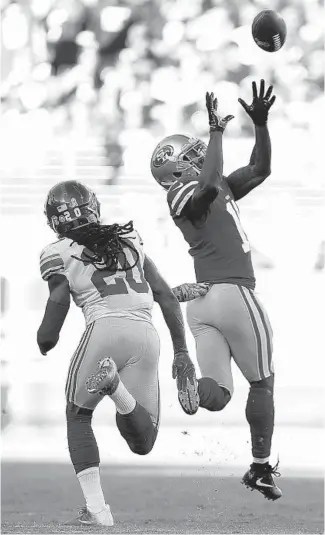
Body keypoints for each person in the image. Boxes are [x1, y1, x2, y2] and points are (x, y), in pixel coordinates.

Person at [37, 180, 199, 527]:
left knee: (78, 416)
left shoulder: (58, 250)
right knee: (144, 442)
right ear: (93, 207)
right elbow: (166, 296)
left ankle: (98, 512)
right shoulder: (128, 241)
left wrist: (45, 338)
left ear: (54, 220)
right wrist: (182, 352)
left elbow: (59, 299)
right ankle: (119, 393)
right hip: (146, 336)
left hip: (105, 330)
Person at [150, 80, 282, 501]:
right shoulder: (182, 191)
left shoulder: (213, 184)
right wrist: (217, 132)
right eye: (188, 156)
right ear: (173, 170)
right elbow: (205, 189)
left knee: (219, 394)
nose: (198, 157)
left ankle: (193, 390)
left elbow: (259, 169)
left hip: (202, 300)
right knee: (262, 383)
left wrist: (260, 124)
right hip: (232, 292)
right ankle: (260, 467)